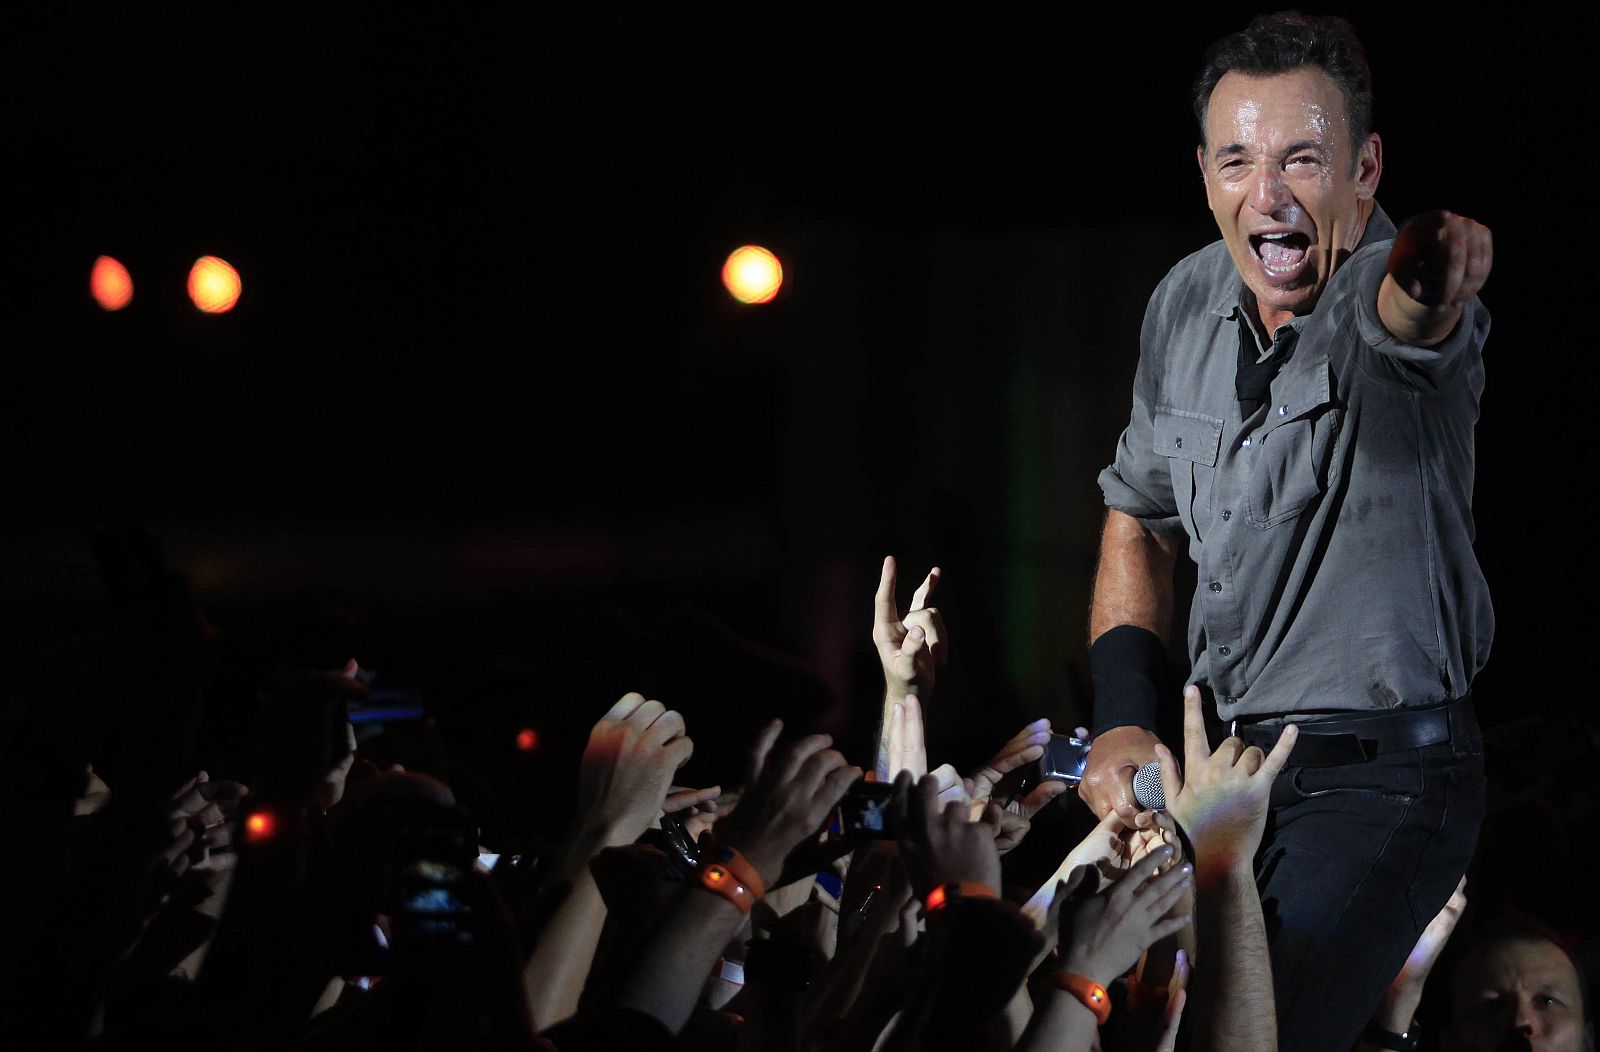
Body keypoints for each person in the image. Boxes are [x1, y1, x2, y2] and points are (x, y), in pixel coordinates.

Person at [1078, 12, 1493, 1052]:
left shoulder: (1375, 295)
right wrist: (1122, 716)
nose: (1268, 194)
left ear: (1364, 172)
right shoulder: (1183, 301)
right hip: (1222, 769)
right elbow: (1138, 514)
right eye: (1238, 161)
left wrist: (1433, 279)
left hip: (1382, 779)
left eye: (1303, 159)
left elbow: (1414, 321)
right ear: (1206, 175)